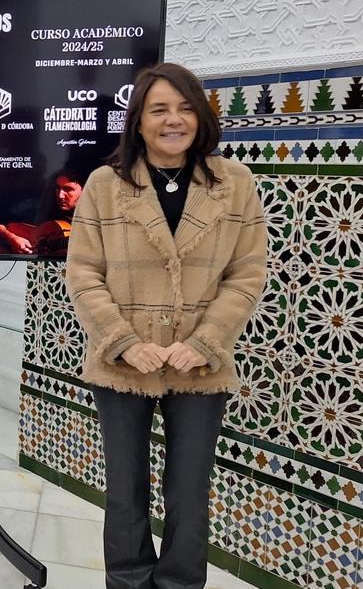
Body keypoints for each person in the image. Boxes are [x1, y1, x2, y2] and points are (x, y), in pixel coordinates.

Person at [64, 62, 266, 589]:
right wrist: (125, 343)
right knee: (125, 490)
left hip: (201, 366)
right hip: (123, 362)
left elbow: (247, 275)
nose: (173, 120)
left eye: (184, 108)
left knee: (189, 491)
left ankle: (179, 584)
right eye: (159, 109)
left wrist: (204, 343)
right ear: (138, 120)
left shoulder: (234, 184)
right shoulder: (105, 185)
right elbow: (83, 273)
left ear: (200, 117)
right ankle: (127, 581)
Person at [0, 167, 83, 255]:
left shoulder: (91, 220)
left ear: (84, 191)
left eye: (68, 189)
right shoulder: (41, 210)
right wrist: (12, 238)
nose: (60, 195)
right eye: (58, 188)